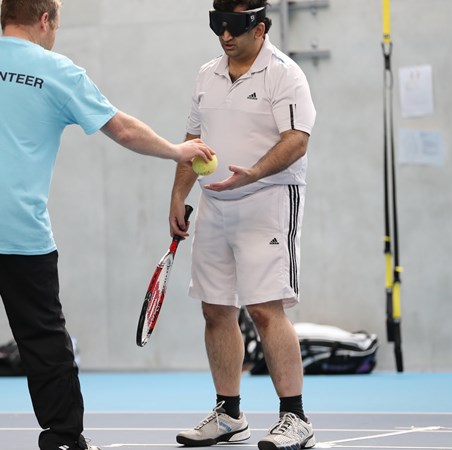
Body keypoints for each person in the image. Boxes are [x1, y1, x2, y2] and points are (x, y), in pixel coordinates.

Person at [0, 1, 214, 449]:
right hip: (19, 232)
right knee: (43, 338)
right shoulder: (59, 71)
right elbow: (122, 129)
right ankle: (62, 437)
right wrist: (177, 150)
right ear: (44, 20)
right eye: (56, 23)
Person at [169, 1, 317, 449]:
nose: (225, 35)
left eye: (234, 26)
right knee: (215, 309)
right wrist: (178, 195)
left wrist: (254, 172)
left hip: (268, 200)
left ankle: (296, 418)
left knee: (265, 309)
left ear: (260, 26)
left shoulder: (285, 74)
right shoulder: (206, 74)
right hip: (215, 204)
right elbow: (193, 144)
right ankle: (229, 414)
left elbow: (297, 140)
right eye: (218, 25)